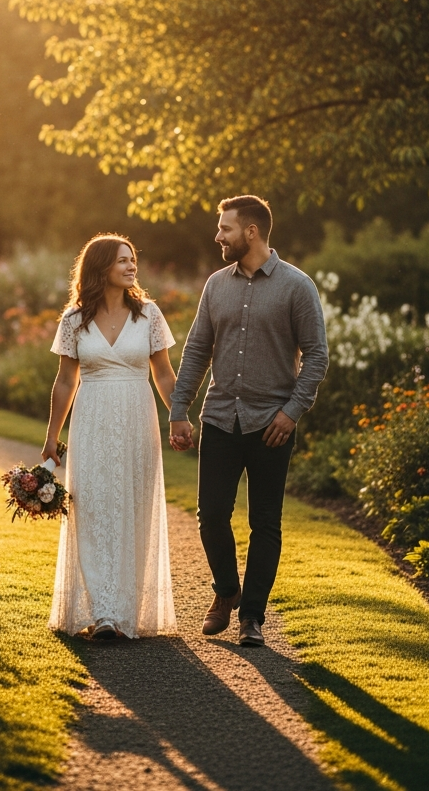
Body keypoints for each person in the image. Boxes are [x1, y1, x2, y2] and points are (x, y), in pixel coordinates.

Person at [169, 195, 328, 647]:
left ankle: (252, 618)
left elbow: (317, 356)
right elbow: (197, 349)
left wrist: (292, 413)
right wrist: (179, 409)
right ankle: (226, 591)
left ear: (251, 232)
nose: (218, 236)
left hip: (271, 425)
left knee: (266, 523)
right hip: (220, 417)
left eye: (225, 229)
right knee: (211, 515)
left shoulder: (297, 287)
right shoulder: (216, 285)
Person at [43, 234, 178, 639]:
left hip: (138, 416)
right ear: (101, 267)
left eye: (133, 259)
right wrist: (52, 437)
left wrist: (181, 418)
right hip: (93, 419)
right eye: (122, 260)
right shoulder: (73, 320)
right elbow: (65, 381)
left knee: (133, 506)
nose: (131, 266)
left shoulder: (149, 314)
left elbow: (165, 374)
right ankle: (103, 612)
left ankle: (125, 610)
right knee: (94, 508)